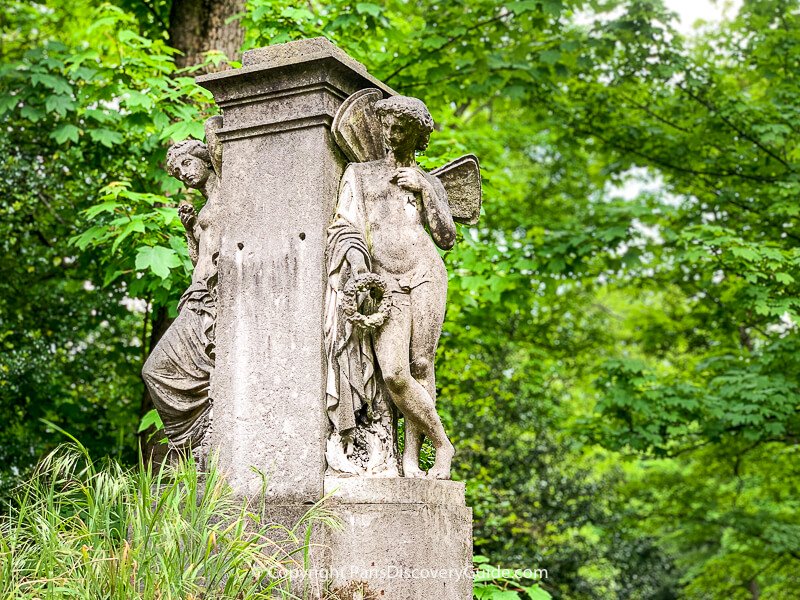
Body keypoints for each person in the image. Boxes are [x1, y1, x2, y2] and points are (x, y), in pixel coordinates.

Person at [325, 96, 457, 479]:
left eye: (401, 129)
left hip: (424, 271)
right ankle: (443, 442)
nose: (391, 134)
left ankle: (412, 459)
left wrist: (426, 191)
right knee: (395, 373)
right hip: (385, 281)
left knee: (421, 364)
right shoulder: (359, 173)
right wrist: (358, 267)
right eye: (387, 126)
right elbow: (344, 226)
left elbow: (446, 237)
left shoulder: (427, 181)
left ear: (417, 135)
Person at [142, 119, 224, 463]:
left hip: (215, 297)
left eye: (187, 164)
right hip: (197, 292)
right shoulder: (204, 208)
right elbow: (199, 259)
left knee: (158, 369)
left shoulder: (233, 190)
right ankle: (193, 440)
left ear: (205, 158)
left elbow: (216, 130)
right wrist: (191, 231)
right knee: (155, 370)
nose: (185, 175)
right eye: (178, 173)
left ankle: (201, 439)